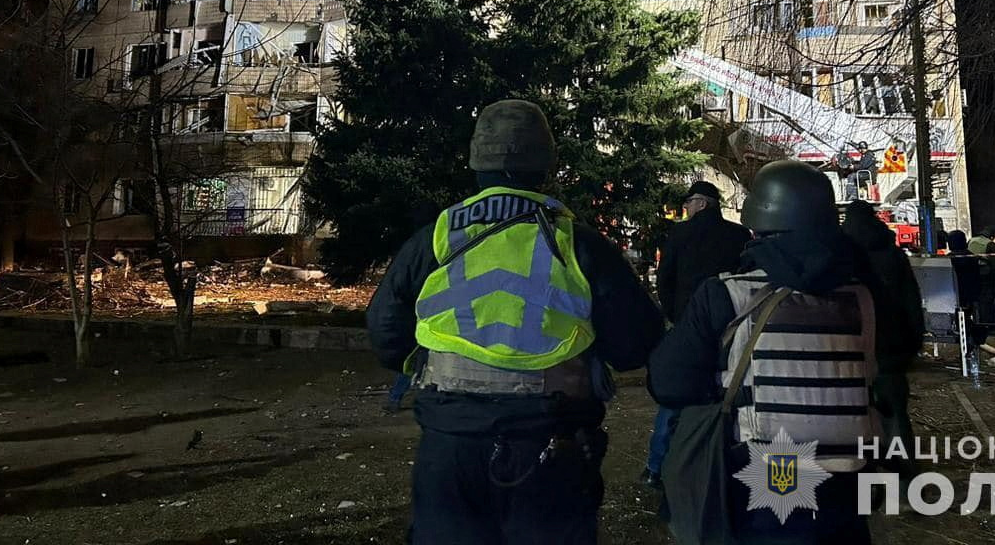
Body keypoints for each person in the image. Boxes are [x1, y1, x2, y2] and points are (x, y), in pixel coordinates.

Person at [366, 99, 664, 545]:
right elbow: (635, 343)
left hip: (450, 443)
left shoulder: (438, 236)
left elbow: (385, 330)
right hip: (550, 445)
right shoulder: (576, 242)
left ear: (475, 162)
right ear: (545, 165)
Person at [649, 160, 886, 545]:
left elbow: (668, 382)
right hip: (852, 463)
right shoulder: (865, 295)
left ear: (758, 221)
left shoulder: (727, 294)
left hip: (772, 461)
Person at [644, 181, 750, 488]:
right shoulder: (739, 235)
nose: (686, 208)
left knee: (677, 397)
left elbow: (665, 279)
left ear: (703, 203)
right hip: (734, 324)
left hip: (689, 326)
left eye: (689, 202)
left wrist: (676, 315)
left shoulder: (679, 234)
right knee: (731, 389)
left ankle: (656, 466)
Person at [841, 200, 925, 474]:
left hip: (851, 344)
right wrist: (914, 341)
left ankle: (862, 477)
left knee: (852, 416)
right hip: (891, 344)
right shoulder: (892, 252)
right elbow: (912, 300)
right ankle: (906, 479)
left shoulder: (838, 253)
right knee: (895, 416)